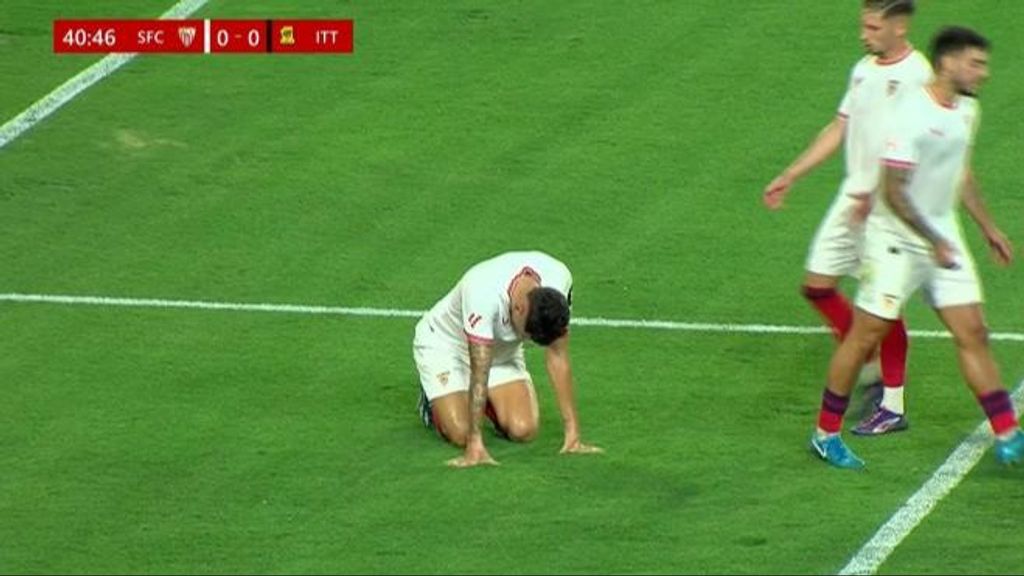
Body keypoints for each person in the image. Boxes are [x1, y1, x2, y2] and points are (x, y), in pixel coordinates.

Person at [810, 26, 1021, 469]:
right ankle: (825, 433)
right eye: (975, 63)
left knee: (973, 333)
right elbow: (894, 192)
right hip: (897, 242)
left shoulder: (966, 110)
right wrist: (933, 242)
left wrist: (988, 228)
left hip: (943, 238)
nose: (983, 73)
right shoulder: (909, 114)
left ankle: (1008, 435)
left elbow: (961, 173)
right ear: (948, 63)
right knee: (866, 333)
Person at [763, 0, 930, 434]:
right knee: (817, 285)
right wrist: (790, 174)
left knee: (883, 304)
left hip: (889, 207)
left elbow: (915, 150)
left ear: (897, 27)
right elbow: (838, 128)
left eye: (873, 26)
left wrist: (877, 195)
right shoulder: (863, 69)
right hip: (852, 197)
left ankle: (891, 403)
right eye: (863, 25)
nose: (864, 34)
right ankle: (868, 361)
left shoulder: (918, 76)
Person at [413, 250, 602, 468]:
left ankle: (474, 399)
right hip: (446, 346)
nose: (527, 339)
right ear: (519, 308)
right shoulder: (482, 291)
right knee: (461, 433)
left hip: (501, 353)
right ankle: (432, 400)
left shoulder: (558, 281)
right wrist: (476, 443)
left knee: (524, 429)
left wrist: (573, 435)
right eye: (527, 334)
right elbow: (479, 369)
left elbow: (558, 354)